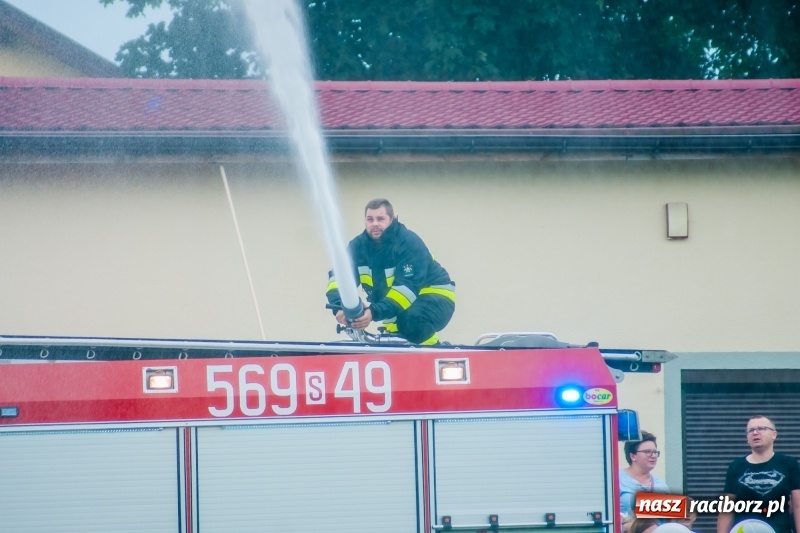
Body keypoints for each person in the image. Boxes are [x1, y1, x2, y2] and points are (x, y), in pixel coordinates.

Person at [326, 198, 455, 345]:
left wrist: (373, 312)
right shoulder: (357, 247)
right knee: (395, 340)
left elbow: (406, 290)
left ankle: (433, 352)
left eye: (380, 219)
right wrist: (339, 307)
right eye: (370, 219)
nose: (375, 224)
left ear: (391, 219)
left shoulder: (408, 243)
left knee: (412, 319)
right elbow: (338, 279)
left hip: (437, 297)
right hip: (396, 306)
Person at [717, 415, 800, 533]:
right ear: (747, 438)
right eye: (751, 430)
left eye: (761, 428)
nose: (755, 433)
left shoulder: (789, 463)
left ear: (774, 435)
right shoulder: (736, 466)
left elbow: (798, 506)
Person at [620, 431, 670, 520]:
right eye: (647, 452)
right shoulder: (616, 480)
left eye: (655, 452)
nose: (653, 456)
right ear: (632, 456)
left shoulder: (661, 485)